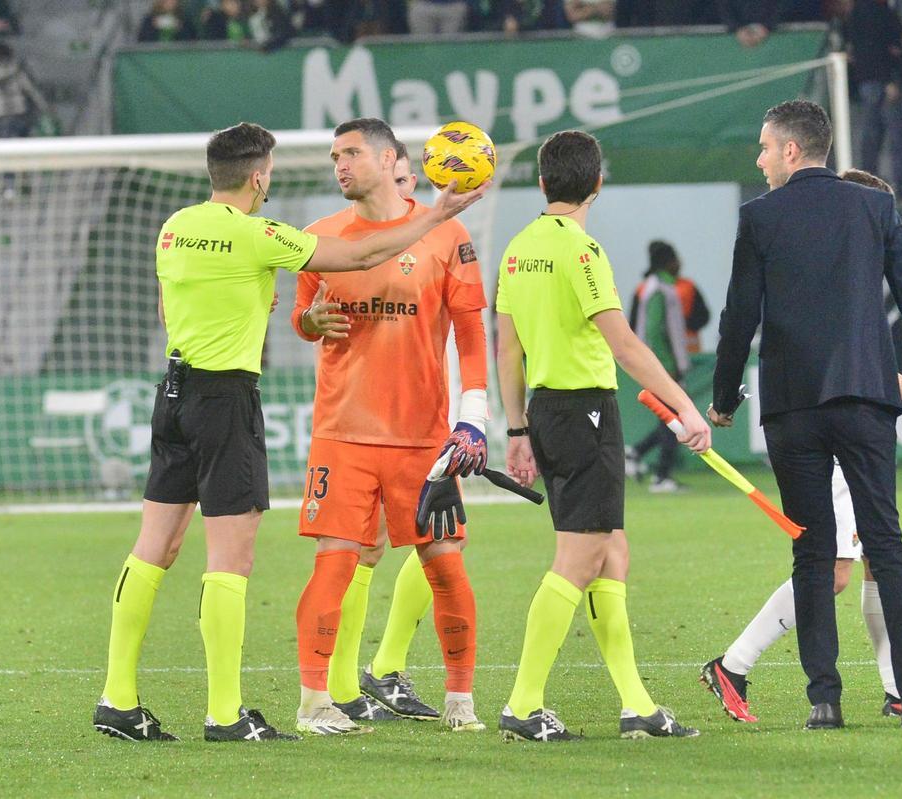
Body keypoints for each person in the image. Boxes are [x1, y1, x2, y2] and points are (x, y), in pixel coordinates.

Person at [92, 121, 486, 743]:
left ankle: (117, 699)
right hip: (225, 401)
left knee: (154, 547)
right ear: (257, 177)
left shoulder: (174, 228)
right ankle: (225, 714)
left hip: (172, 396)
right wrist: (439, 213)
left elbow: (171, 308)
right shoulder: (261, 235)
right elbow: (359, 255)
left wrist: (265, 306)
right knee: (229, 560)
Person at [710, 100, 902, 730]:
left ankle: (824, 703)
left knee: (812, 554)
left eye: (763, 147)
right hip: (864, 401)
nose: (759, 159)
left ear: (790, 151)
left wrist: (724, 400)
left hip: (793, 408)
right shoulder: (874, 207)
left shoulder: (759, 217)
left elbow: (738, 318)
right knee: (887, 544)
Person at [495, 130, 711, 742]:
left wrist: (517, 427)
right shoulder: (581, 251)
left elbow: (507, 346)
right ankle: (523, 703)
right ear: (597, 185)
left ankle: (636, 706)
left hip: (545, 409)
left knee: (612, 551)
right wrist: (683, 406)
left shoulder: (517, 249)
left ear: (542, 184)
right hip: (586, 411)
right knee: (582, 557)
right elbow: (623, 343)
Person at [290, 118, 490, 736]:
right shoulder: (319, 239)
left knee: (447, 566)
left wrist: (474, 419)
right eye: (333, 156)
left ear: (388, 158)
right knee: (335, 563)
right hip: (342, 434)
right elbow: (301, 314)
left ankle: (460, 700)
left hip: (423, 439)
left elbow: (471, 334)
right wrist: (308, 324)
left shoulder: (447, 235)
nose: (339, 165)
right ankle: (314, 702)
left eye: (350, 153)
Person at [625, 240, 710, 492]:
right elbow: (654, 329)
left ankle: (636, 453)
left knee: (671, 419)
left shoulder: (656, 287)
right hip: (662, 366)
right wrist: (665, 366)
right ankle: (661, 476)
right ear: (669, 260)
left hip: (663, 364)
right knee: (676, 419)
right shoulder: (659, 289)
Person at [847, 0, 902, 197]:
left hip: (871, 79)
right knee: (899, 134)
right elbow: (874, 48)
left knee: (873, 134)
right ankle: (901, 185)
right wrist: (890, 80)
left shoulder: (864, 10)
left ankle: (867, 184)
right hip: (882, 81)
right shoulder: (873, 10)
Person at [0, 43, 50, 139]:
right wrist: (45, 108)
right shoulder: (18, 70)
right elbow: (32, 91)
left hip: (1, 114)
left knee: (5, 147)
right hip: (20, 112)